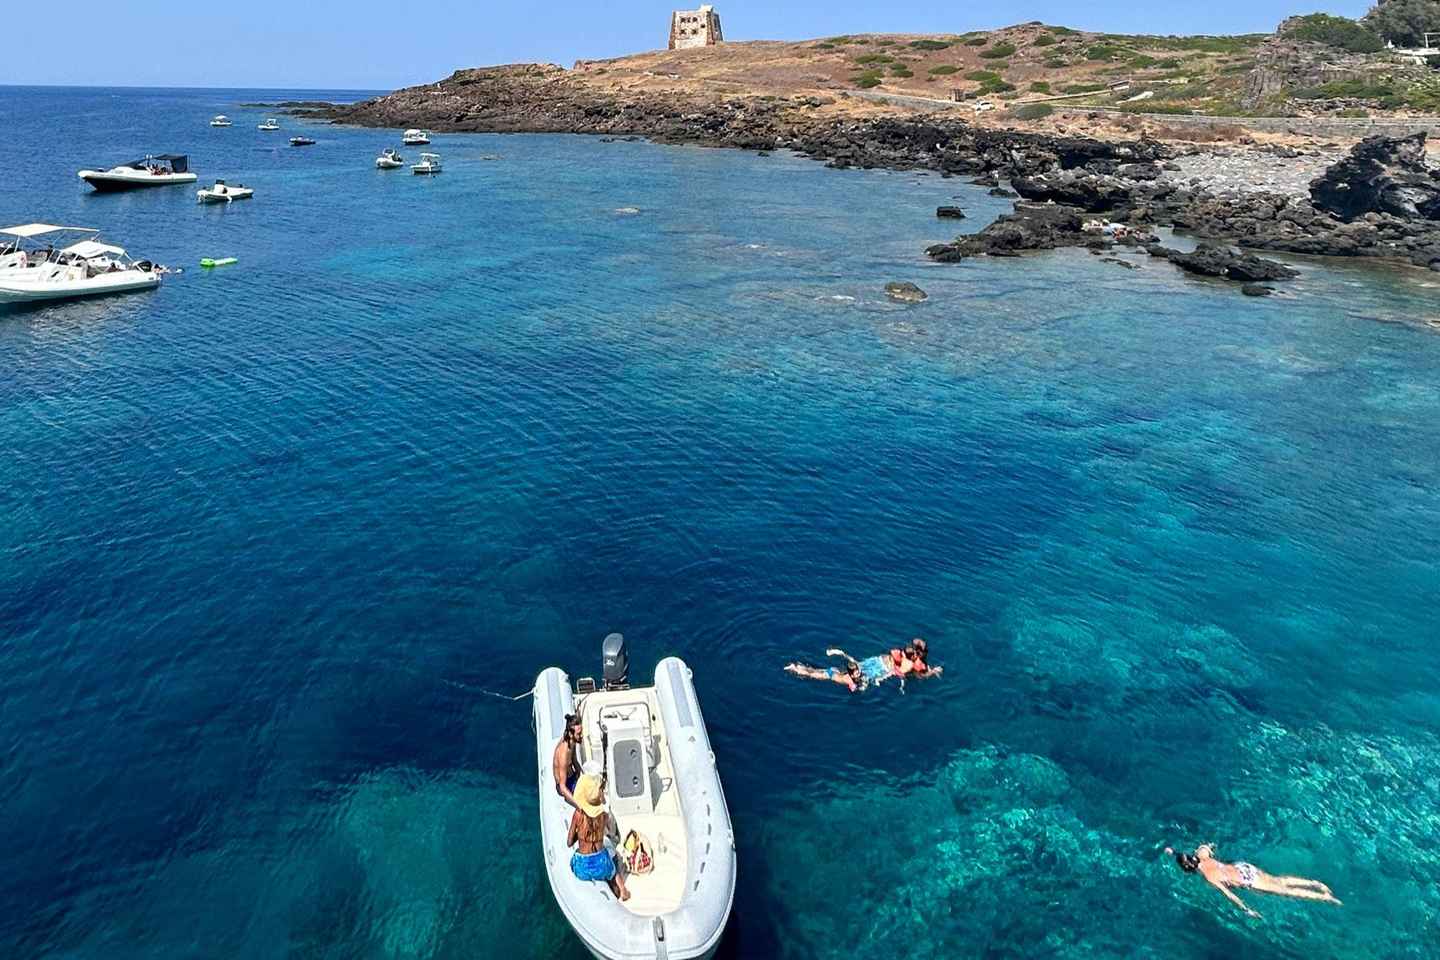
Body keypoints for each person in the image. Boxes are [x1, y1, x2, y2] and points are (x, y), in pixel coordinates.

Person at [1165, 844, 1341, 919]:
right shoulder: (1201, 856)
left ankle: (1325, 897)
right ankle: (1314, 883)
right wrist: (1172, 852)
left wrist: (1246, 909)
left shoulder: (1209, 877)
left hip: (1246, 879)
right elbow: (1207, 846)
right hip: (1244, 868)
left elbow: (1229, 895)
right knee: (1279, 880)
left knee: (1286, 891)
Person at [567, 774, 631, 901]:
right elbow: (609, 832)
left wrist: (579, 835)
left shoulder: (578, 815)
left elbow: (569, 842)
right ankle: (622, 889)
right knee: (611, 866)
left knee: (574, 860)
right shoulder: (603, 816)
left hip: (582, 867)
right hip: (602, 865)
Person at [552, 713, 584, 809]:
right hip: (565, 784)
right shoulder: (563, 754)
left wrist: (582, 776)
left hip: (572, 776)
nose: (581, 736)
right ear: (571, 734)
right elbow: (562, 787)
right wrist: (579, 806)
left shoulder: (572, 742)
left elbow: (574, 761)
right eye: (579, 734)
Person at [783, 658, 865, 692]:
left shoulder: (852, 674)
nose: (859, 673)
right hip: (830, 675)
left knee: (814, 671)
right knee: (811, 674)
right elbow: (853, 689)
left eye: (858, 671)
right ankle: (794, 668)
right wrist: (860, 687)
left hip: (834, 670)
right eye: (857, 673)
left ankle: (801, 666)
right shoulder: (850, 681)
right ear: (851, 674)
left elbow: (858, 669)